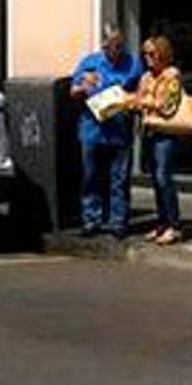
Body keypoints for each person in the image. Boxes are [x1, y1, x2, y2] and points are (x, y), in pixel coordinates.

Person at [68, 26, 142, 239]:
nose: (116, 51)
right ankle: (91, 220)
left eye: (120, 46)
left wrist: (131, 99)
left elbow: (140, 91)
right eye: (112, 46)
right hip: (92, 129)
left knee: (119, 178)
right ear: (103, 45)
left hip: (119, 130)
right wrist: (83, 87)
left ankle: (118, 222)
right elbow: (73, 91)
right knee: (91, 177)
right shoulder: (89, 62)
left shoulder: (132, 63)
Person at [135, 35, 186, 245]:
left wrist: (147, 102)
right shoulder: (146, 77)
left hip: (165, 134)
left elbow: (168, 105)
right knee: (156, 180)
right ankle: (162, 222)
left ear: (163, 54)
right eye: (145, 54)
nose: (148, 58)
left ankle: (174, 225)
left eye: (152, 53)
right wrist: (140, 101)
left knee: (164, 178)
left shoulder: (171, 76)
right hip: (149, 132)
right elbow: (139, 100)